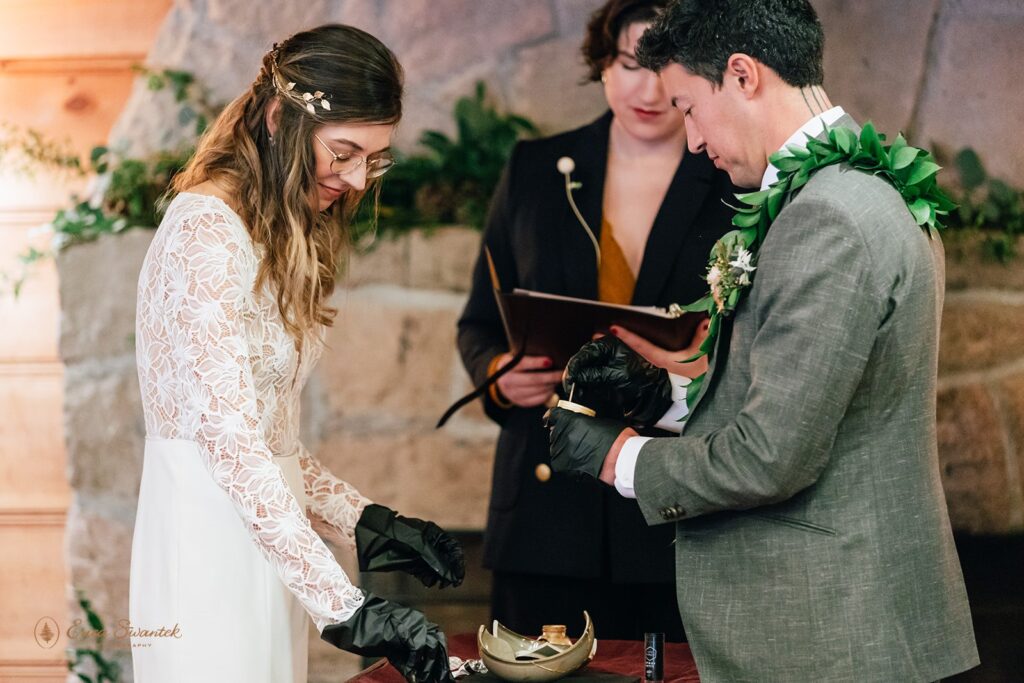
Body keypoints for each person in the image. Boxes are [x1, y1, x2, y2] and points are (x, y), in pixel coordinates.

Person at [545, 1, 980, 680]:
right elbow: (815, 396)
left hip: (833, 631)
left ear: (743, 75)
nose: (691, 140)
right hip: (851, 618)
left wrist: (620, 459)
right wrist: (662, 394)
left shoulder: (827, 217)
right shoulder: (861, 187)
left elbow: (774, 455)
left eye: (688, 106)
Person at [130, 25, 463, 683]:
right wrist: (345, 606)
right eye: (344, 151)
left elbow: (267, 437)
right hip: (206, 555)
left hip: (270, 549)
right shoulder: (203, 235)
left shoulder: (268, 232)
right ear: (281, 117)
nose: (359, 177)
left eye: (374, 157)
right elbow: (229, 447)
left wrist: (364, 519)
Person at [457, 0, 736, 641]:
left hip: (670, 514)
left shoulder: (731, 175)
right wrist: (499, 375)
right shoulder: (535, 168)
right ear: (602, 65)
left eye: (664, 67)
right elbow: (478, 321)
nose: (647, 89)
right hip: (543, 509)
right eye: (629, 64)